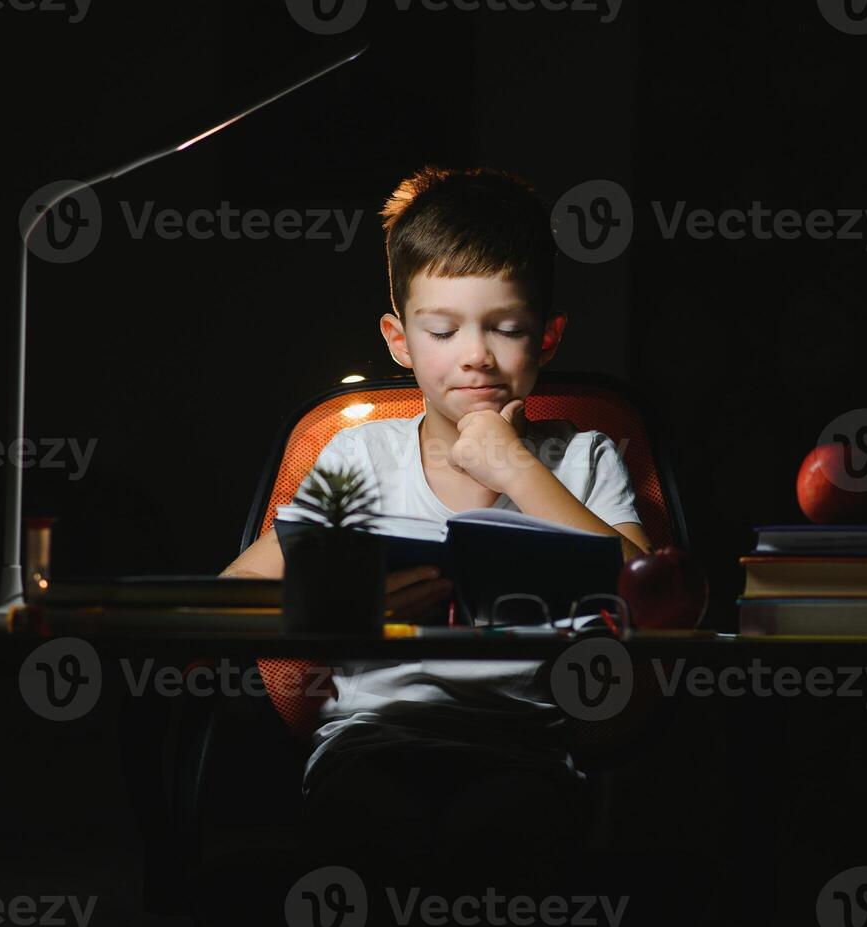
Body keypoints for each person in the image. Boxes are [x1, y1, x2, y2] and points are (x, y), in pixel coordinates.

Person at [219, 165, 652, 867]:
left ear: (546, 338)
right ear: (399, 341)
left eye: (506, 329)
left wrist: (515, 468)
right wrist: (346, 603)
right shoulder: (359, 456)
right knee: (369, 830)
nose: (475, 356)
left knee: (503, 838)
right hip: (368, 743)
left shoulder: (582, 457)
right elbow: (234, 590)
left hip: (526, 749)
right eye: (443, 330)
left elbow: (651, 594)